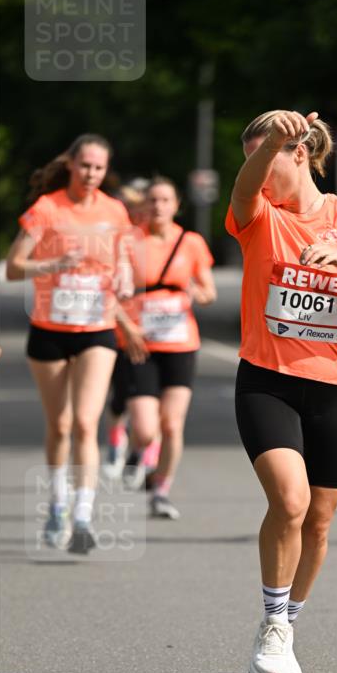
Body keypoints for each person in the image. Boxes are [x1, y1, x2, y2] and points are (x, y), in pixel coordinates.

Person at [226, 109, 337, 673]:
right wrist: (267, 145)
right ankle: (273, 624)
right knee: (290, 501)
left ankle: (288, 621)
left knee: (320, 522)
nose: (259, 171)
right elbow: (244, 187)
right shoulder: (258, 215)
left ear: (300, 155)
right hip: (267, 382)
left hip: (335, 388)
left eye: (270, 156)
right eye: (253, 158)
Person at [6, 134, 134, 554]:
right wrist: (54, 264)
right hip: (49, 329)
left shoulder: (114, 210)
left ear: (105, 170)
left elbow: (124, 258)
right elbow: (13, 268)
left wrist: (124, 276)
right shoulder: (48, 207)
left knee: (84, 422)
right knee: (59, 424)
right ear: (71, 166)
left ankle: (82, 515)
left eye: (99, 167)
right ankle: (58, 503)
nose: (91, 174)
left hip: (97, 328)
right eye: (85, 166)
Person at [115, 176, 216, 519]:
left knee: (172, 425)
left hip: (180, 343)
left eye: (165, 200)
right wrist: (126, 327)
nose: (158, 206)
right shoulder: (128, 241)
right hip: (139, 345)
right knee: (146, 429)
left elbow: (209, 292)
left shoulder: (191, 242)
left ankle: (160, 491)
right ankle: (136, 448)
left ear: (176, 205)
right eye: (152, 200)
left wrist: (196, 293)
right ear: (143, 205)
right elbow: (108, 290)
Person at [103, 179, 151, 481]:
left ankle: (140, 453)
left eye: (136, 207)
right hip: (116, 330)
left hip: (152, 334)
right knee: (120, 397)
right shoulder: (113, 238)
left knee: (147, 401)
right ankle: (115, 440)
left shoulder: (150, 239)